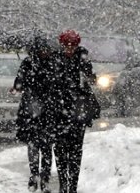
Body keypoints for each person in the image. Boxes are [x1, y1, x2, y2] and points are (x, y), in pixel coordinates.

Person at [49, 29, 96, 193]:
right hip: (59, 110)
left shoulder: (82, 57)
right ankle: (63, 184)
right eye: (66, 45)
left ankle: (72, 186)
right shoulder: (55, 57)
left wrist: (88, 77)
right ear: (62, 45)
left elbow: (91, 78)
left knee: (75, 150)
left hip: (77, 110)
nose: (69, 48)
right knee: (60, 149)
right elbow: (50, 80)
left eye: (72, 45)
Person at [13, 35, 60, 191]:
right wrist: (22, 84)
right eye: (42, 49)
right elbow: (18, 83)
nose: (45, 52)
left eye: (47, 49)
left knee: (46, 146)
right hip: (31, 110)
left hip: (48, 110)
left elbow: (58, 84)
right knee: (33, 144)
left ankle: (45, 177)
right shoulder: (28, 63)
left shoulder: (54, 63)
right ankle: (34, 174)